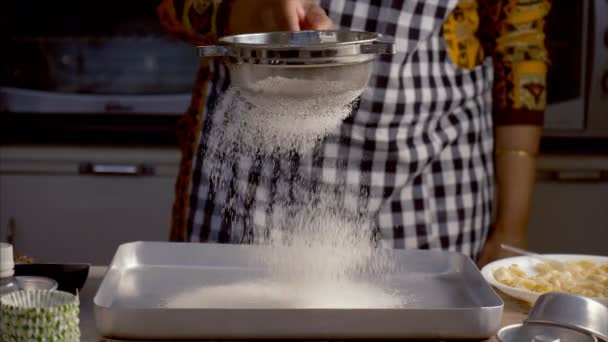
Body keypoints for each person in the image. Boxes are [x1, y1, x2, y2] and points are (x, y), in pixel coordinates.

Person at [157, 0, 551, 265]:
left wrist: (511, 226)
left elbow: (521, 44)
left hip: (428, 182)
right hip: (249, 170)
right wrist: (250, 10)